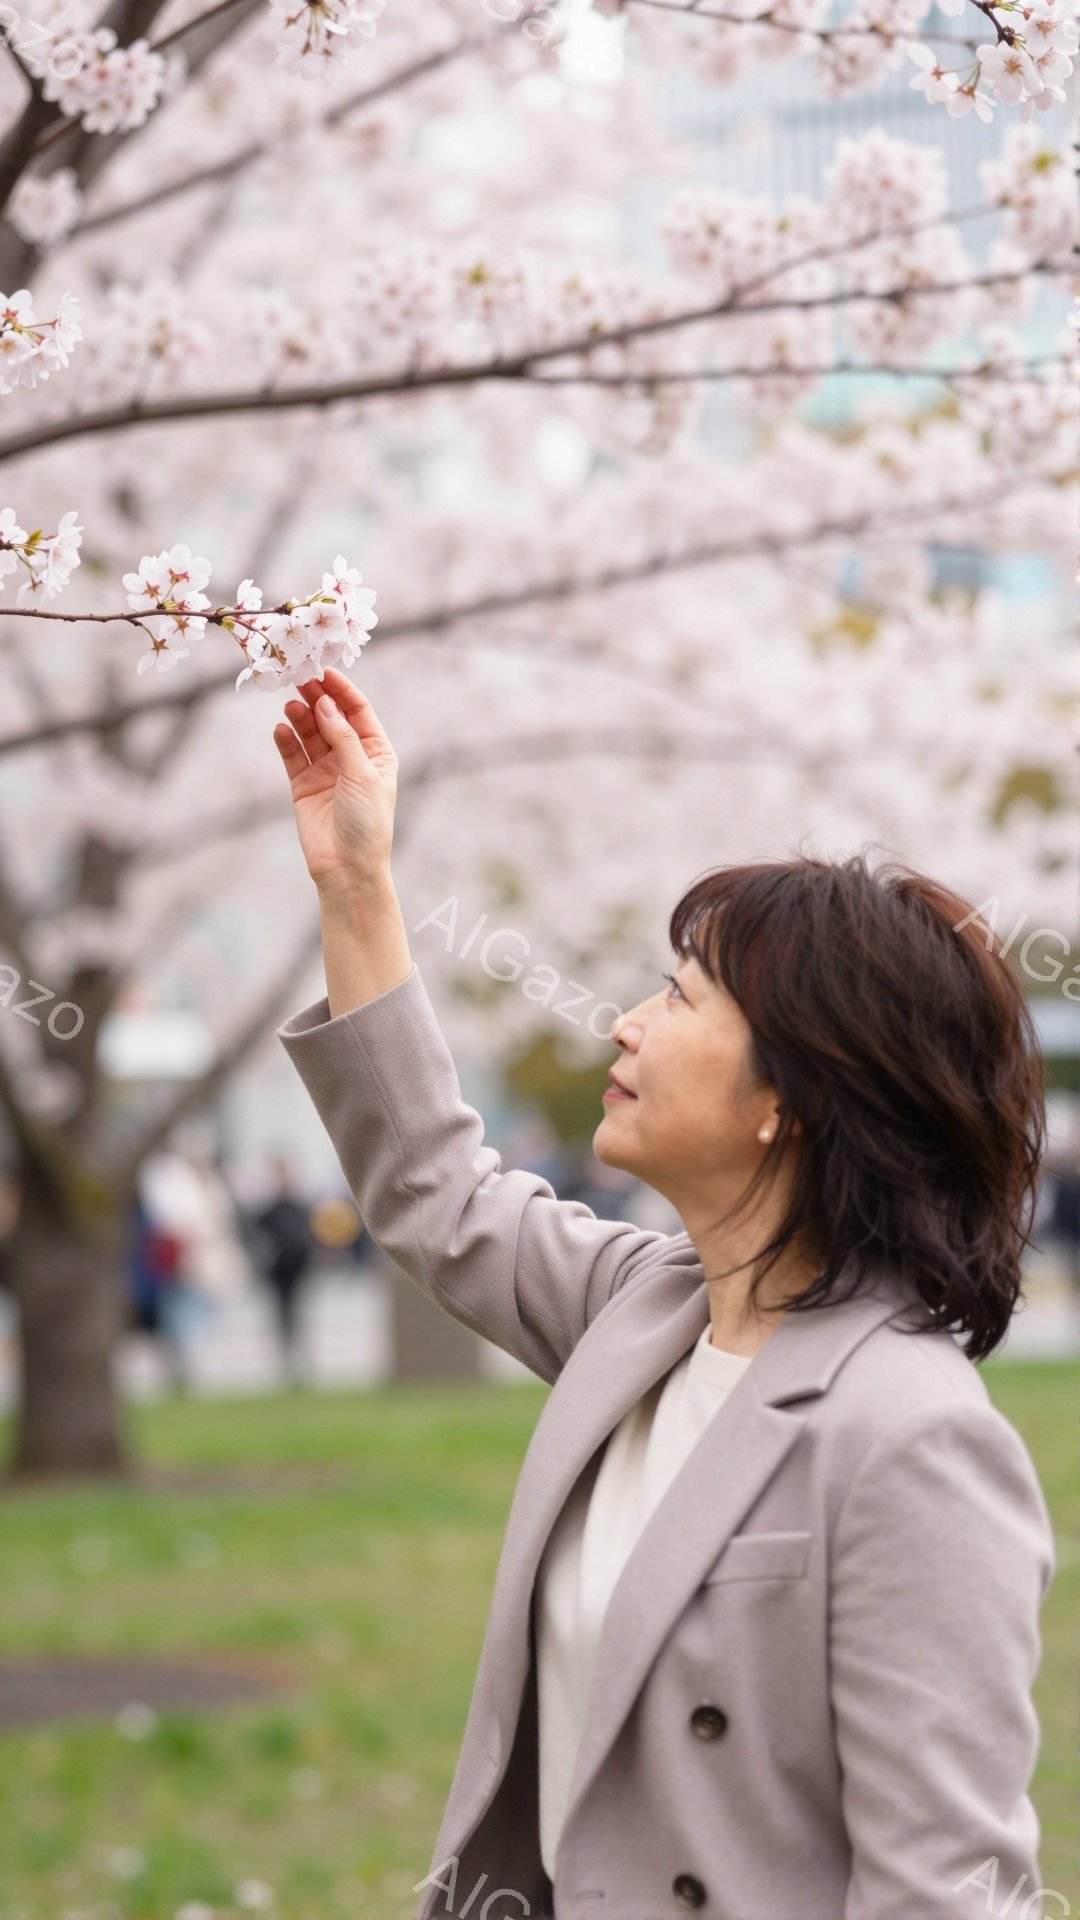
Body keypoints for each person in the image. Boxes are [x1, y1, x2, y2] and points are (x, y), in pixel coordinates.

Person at [271, 670, 1056, 1920]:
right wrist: (356, 880)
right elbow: (434, 1187)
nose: (624, 1027)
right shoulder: (645, 1314)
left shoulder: (914, 1436)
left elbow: (946, 1891)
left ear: (791, 1098)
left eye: (681, 996)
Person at [252, 1158, 315, 1382]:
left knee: (299, 1315)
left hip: (298, 1268)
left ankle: (300, 1361)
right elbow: (258, 1236)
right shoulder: (269, 1209)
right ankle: (285, 1361)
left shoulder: (300, 1206)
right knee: (280, 1315)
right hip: (279, 1271)